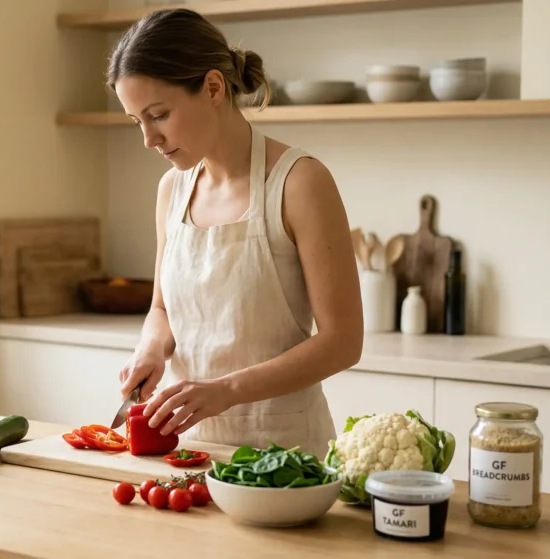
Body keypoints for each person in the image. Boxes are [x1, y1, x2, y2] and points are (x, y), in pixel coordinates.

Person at [108, 8, 364, 459]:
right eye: (137, 122)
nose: (148, 138)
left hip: (283, 458)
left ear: (212, 88)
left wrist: (226, 389)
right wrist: (151, 348)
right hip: (185, 451)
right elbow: (163, 307)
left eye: (159, 114)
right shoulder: (172, 189)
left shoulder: (299, 183)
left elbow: (343, 342)